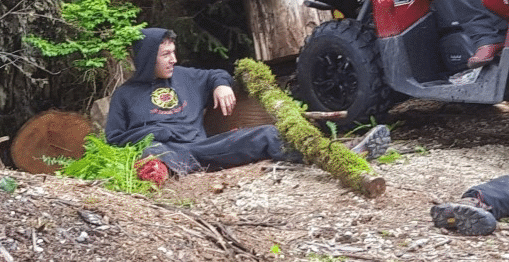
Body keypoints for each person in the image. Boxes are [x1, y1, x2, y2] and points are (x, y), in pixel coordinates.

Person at [106, 27, 390, 185]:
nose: (174, 59)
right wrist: (155, 132)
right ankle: (160, 175)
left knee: (266, 133)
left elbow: (218, 72)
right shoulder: (125, 96)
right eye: (166, 54)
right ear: (146, 59)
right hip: (162, 150)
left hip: (201, 149)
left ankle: (340, 155)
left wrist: (221, 84)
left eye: (174, 52)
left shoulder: (187, 77)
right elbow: (114, 140)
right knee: (152, 152)